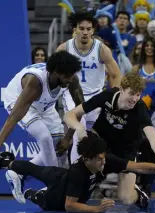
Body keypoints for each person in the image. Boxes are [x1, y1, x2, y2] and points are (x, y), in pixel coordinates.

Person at [0, 51, 84, 201]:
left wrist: (68, 137)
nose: (70, 79)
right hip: (18, 100)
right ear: (56, 73)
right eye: (66, 76)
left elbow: (81, 107)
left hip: (45, 106)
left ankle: (18, 173)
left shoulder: (71, 78)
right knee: (44, 137)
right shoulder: (34, 83)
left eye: (72, 75)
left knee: (59, 149)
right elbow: (14, 117)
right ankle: (53, 184)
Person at [0, 132, 155, 213]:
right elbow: (69, 205)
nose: (103, 163)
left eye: (104, 157)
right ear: (87, 159)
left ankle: (5, 162)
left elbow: (139, 166)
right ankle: (14, 174)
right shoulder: (79, 173)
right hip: (59, 196)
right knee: (39, 198)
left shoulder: (105, 160)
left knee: (37, 169)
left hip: (60, 176)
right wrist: (96, 210)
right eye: (99, 160)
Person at [64, 72, 155, 209]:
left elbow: (153, 139)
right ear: (121, 89)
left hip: (126, 151)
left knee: (126, 198)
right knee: (81, 148)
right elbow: (69, 115)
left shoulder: (140, 109)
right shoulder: (107, 96)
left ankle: (140, 195)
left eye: (138, 94)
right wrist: (79, 128)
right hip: (101, 145)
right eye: (131, 93)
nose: (134, 98)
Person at [56, 9, 122, 163]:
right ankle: (75, 172)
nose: (85, 32)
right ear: (75, 30)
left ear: (93, 30)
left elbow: (116, 75)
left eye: (88, 29)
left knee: (94, 138)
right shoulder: (64, 49)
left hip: (96, 96)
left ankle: (93, 172)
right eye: (81, 28)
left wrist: (113, 96)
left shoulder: (102, 49)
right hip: (71, 94)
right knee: (80, 127)